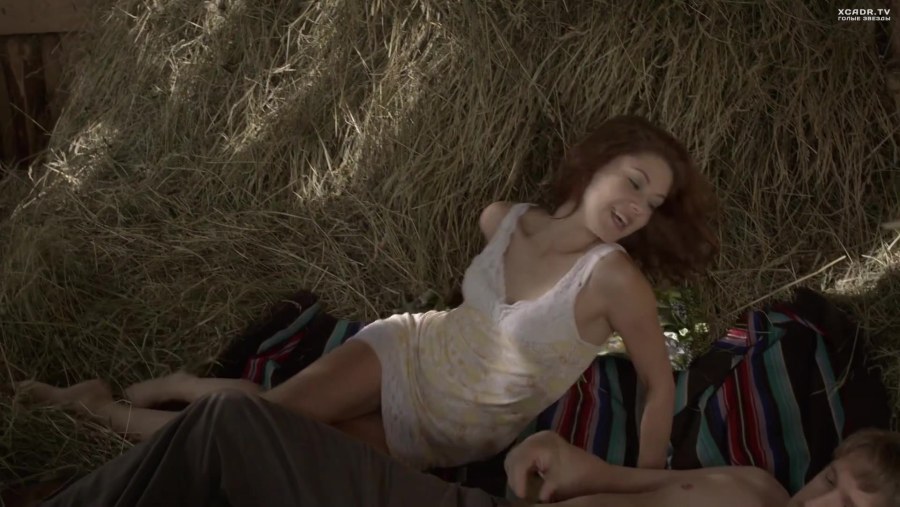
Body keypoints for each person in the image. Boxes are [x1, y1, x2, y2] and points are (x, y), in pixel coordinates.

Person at [19, 115, 718, 471]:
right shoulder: (504, 219)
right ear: (595, 163)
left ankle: (168, 389)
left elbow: (659, 386)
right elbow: (469, 318)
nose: (638, 206)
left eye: (653, 202)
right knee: (267, 422)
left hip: (453, 429)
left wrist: (643, 485)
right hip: (406, 348)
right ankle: (102, 408)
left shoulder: (613, 278)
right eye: (633, 181)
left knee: (275, 436)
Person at [38, 391, 899, 507]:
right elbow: (640, 483)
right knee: (232, 424)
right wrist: (563, 457)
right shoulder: (756, 484)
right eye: (830, 479)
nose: (821, 500)